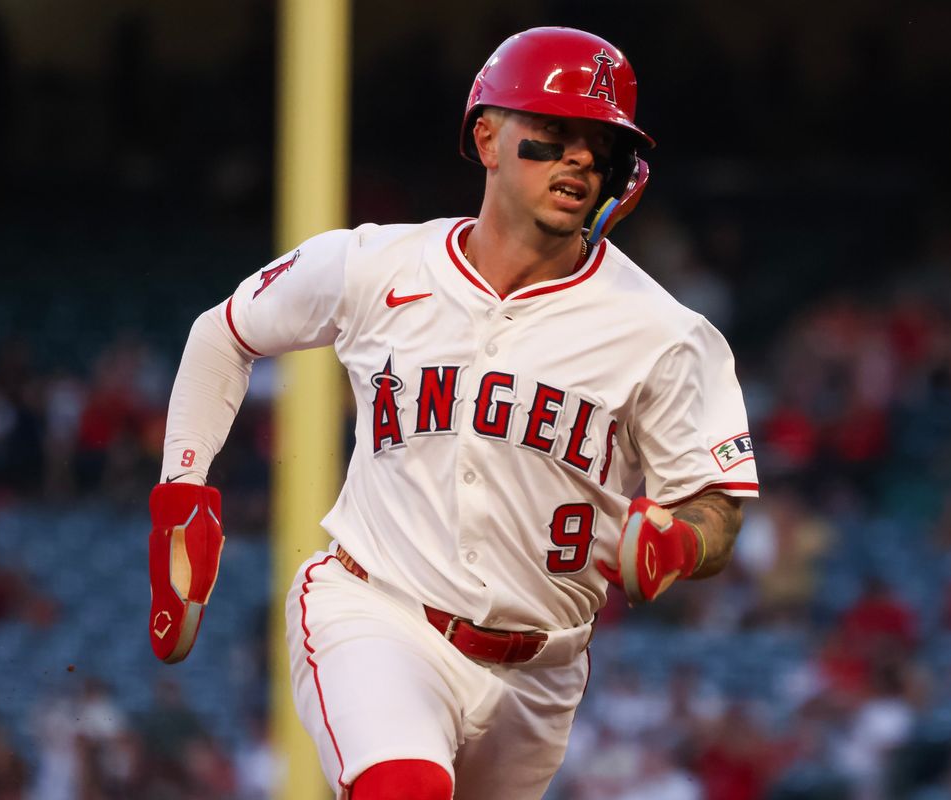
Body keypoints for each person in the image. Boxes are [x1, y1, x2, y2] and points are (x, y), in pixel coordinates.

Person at [146, 26, 759, 800]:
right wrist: (183, 496)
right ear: (488, 136)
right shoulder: (377, 264)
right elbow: (222, 334)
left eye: (598, 144)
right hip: (377, 610)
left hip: (540, 675)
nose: (578, 157)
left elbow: (720, 509)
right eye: (554, 133)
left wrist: (681, 541)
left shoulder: (666, 333)